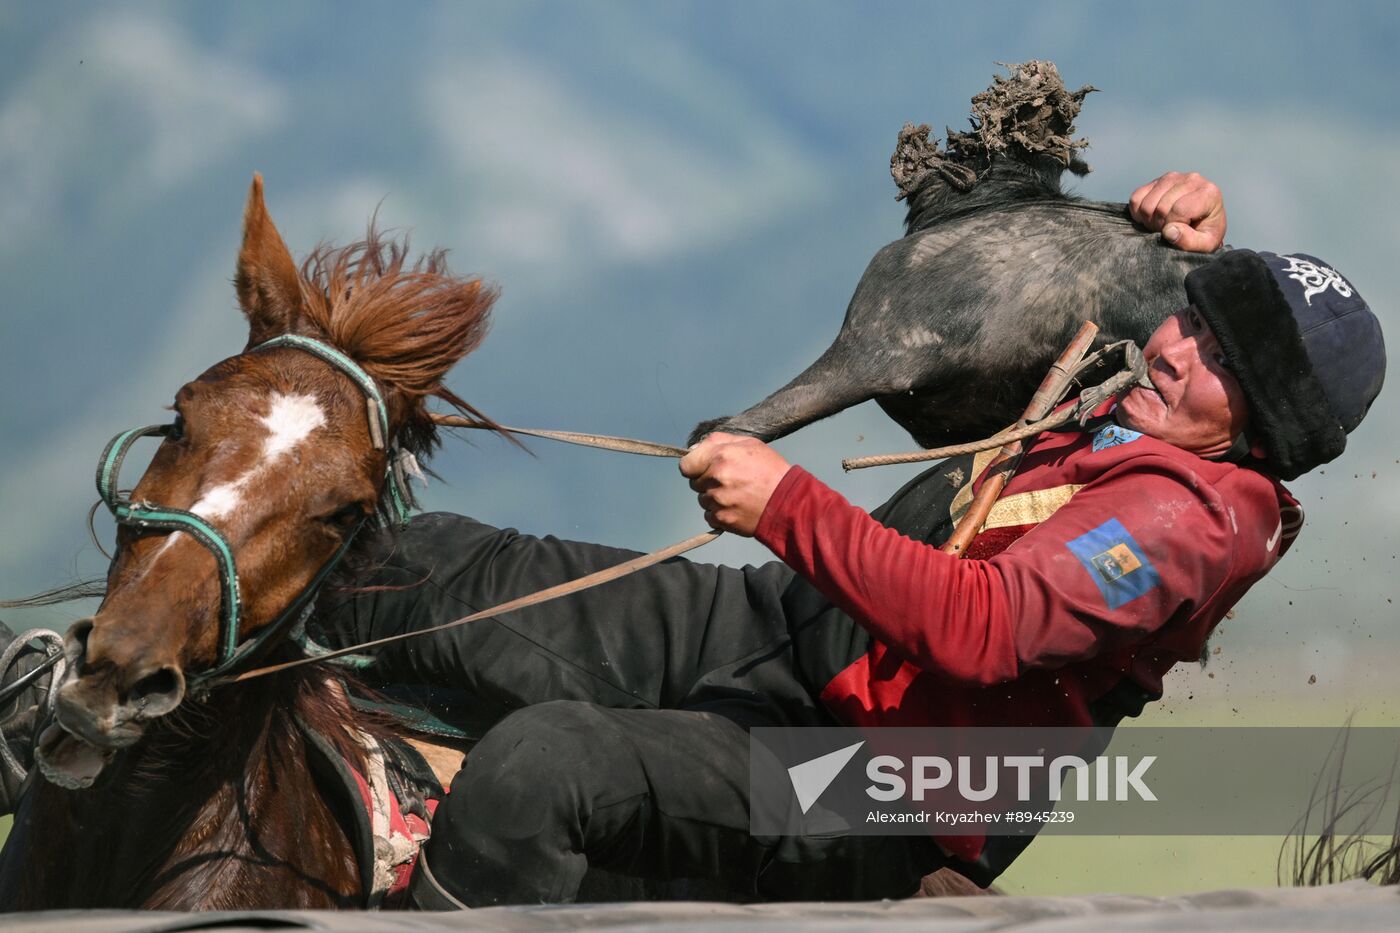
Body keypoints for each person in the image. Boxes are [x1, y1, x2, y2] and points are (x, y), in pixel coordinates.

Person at [0, 174, 1385, 907]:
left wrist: (788, 501)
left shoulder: (1189, 521)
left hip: (884, 786)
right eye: (1195, 313)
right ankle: (94, 693)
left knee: (549, 767)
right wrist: (1185, 242)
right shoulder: (1176, 398)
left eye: (1213, 351)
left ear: (1257, 430)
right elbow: (1066, 306)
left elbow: (989, 628)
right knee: (412, 563)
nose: (1177, 343)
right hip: (792, 631)